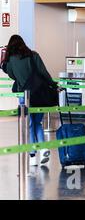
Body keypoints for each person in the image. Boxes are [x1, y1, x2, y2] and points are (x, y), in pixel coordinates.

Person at [1, 35, 56, 166]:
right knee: (38, 123)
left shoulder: (11, 60)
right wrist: (54, 85)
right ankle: (43, 149)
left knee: (29, 124)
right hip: (39, 92)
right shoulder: (33, 55)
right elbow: (44, 72)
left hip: (23, 95)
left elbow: (12, 75)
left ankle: (32, 155)